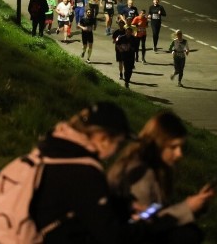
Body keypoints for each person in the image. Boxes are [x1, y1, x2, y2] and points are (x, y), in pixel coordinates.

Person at [27, 102, 142, 244]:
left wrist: (125, 205)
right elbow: (109, 235)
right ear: (103, 139)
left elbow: (82, 201)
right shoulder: (85, 172)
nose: (116, 150)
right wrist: (144, 227)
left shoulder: (53, 148)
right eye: (118, 144)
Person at [107, 111, 215, 244]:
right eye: (173, 147)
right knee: (187, 235)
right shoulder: (139, 174)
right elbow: (145, 221)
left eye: (181, 147)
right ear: (158, 143)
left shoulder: (155, 168)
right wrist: (187, 208)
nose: (179, 154)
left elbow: (155, 211)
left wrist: (196, 207)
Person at [116, 25, 137, 89]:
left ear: (131, 32)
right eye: (127, 32)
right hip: (124, 55)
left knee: (130, 69)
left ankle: (128, 79)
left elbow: (135, 48)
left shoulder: (133, 39)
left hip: (131, 56)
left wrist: (130, 47)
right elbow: (117, 44)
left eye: (129, 32)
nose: (128, 33)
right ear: (125, 32)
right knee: (126, 68)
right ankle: (126, 81)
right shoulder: (122, 38)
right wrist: (120, 49)